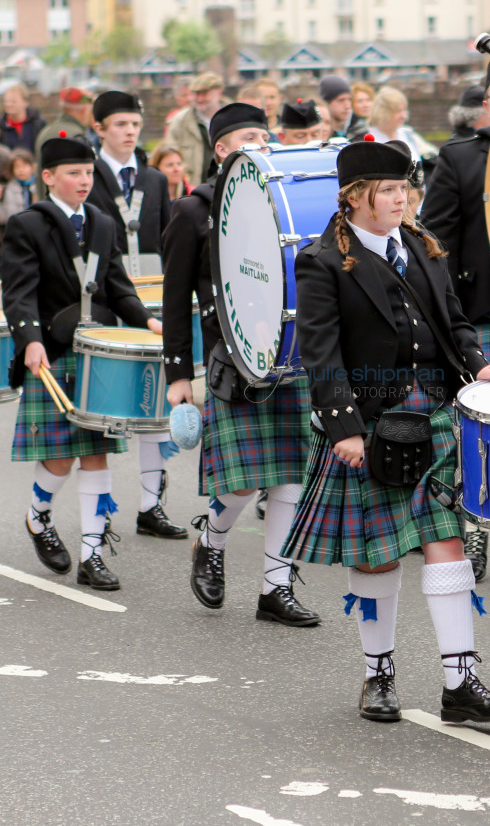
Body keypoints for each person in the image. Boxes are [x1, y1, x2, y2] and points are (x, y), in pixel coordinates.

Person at [282, 138, 490, 724]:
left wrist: (479, 361)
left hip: (433, 411)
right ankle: (377, 674)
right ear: (355, 198)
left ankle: (459, 680)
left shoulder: (423, 247)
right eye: (387, 190)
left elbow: (454, 323)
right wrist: (344, 428)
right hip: (372, 420)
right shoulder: (322, 261)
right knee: (379, 556)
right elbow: (321, 352)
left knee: (447, 543)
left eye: (404, 188)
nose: (400, 198)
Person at [162, 103, 320, 627]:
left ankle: (276, 587)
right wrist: (178, 376)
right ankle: (211, 538)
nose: (263, 143)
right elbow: (174, 297)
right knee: (245, 480)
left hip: (290, 354)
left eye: (265, 135)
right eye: (249, 137)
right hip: (234, 357)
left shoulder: (282, 202)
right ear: (222, 150)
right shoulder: (193, 211)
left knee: (291, 478)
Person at [1, 134, 163, 591]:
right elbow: (18, 293)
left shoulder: (102, 222)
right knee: (58, 458)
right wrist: (28, 341)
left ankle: (92, 555)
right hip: (53, 353)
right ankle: (38, 517)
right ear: (48, 177)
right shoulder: (27, 225)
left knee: (95, 453)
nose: (83, 181)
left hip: (98, 355)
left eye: (89, 173)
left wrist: (146, 321)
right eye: (74, 173)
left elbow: (118, 286)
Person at [420, 57, 490, 583]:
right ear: (483, 106)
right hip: (483, 308)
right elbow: (434, 246)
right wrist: (450, 316)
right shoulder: (460, 159)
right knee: (481, 422)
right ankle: (475, 530)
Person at [86, 89, 187, 539]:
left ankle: (151, 504)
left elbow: (170, 238)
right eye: (120, 125)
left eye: (134, 124)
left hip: (153, 300)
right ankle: (99, 507)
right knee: (108, 406)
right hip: (107, 299)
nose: (129, 132)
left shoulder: (150, 178)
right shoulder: (86, 176)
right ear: (100, 129)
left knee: (156, 403)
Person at [166, 72, 224, 188]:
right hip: (193, 190)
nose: (200, 99)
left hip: (227, 188)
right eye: (196, 94)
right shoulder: (179, 121)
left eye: (205, 94)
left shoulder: (233, 118)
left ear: (218, 93)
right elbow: (169, 155)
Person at [0, 149, 37, 238]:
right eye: (17, 166)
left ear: (32, 168)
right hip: (16, 234)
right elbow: (1, 217)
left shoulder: (39, 187)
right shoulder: (8, 189)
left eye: (25, 165)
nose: (21, 170)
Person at [0, 84, 45, 155]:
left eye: (13, 101)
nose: (9, 104)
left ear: (25, 102)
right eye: (6, 101)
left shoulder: (38, 123)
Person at [320, 74, 366, 139]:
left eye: (350, 100)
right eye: (341, 100)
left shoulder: (359, 129)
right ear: (327, 102)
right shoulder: (319, 133)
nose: (347, 106)